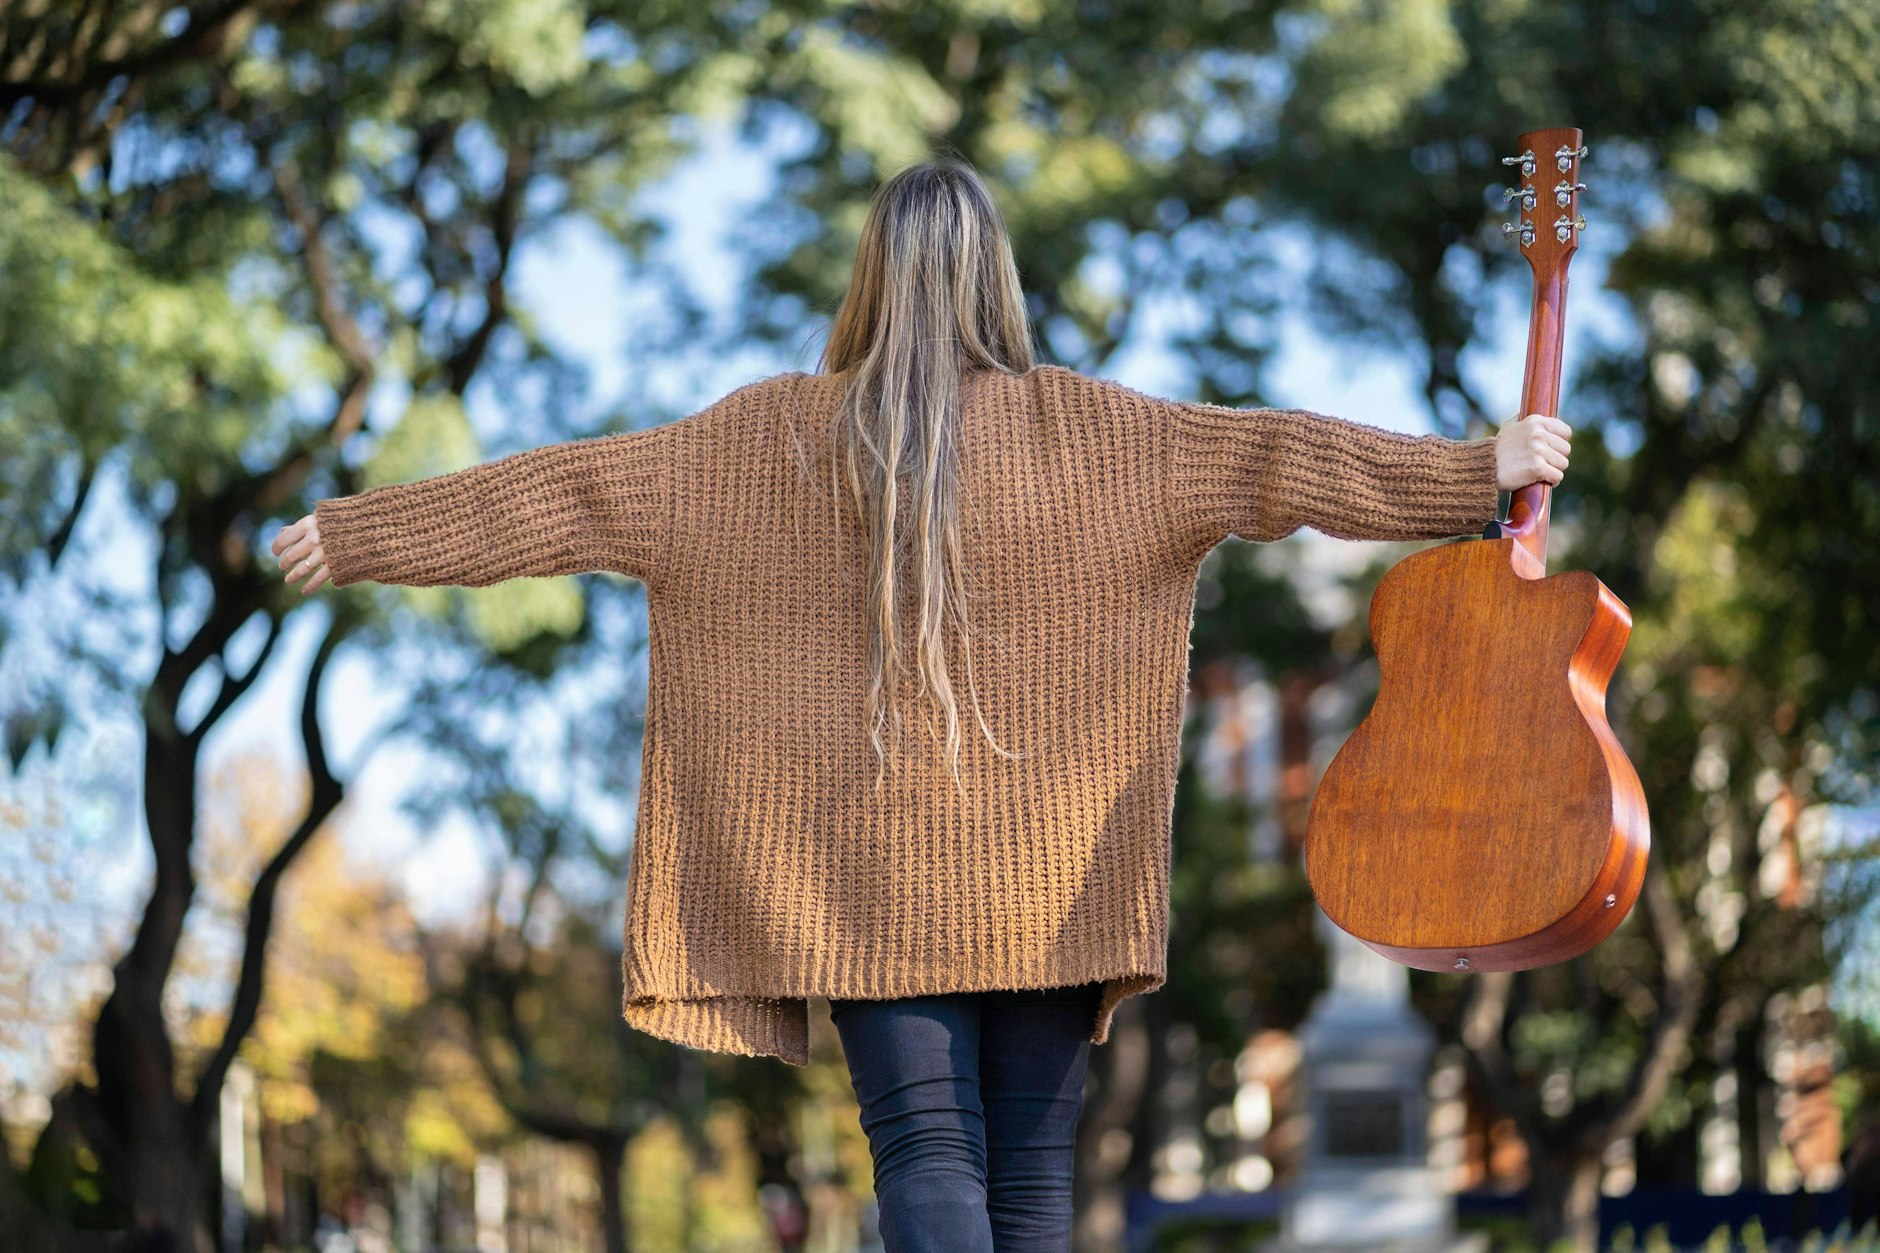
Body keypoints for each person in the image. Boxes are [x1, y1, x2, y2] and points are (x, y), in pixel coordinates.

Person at [270, 157, 1569, 1251]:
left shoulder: (763, 436)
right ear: (997, 275)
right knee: (1031, 1175)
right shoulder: (1104, 432)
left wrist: (356, 531)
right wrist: (1475, 474)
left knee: (924, 1157)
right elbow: (1282, 458)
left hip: (863, 887)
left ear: (870, 280)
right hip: (1054, 881)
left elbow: (558, 496)